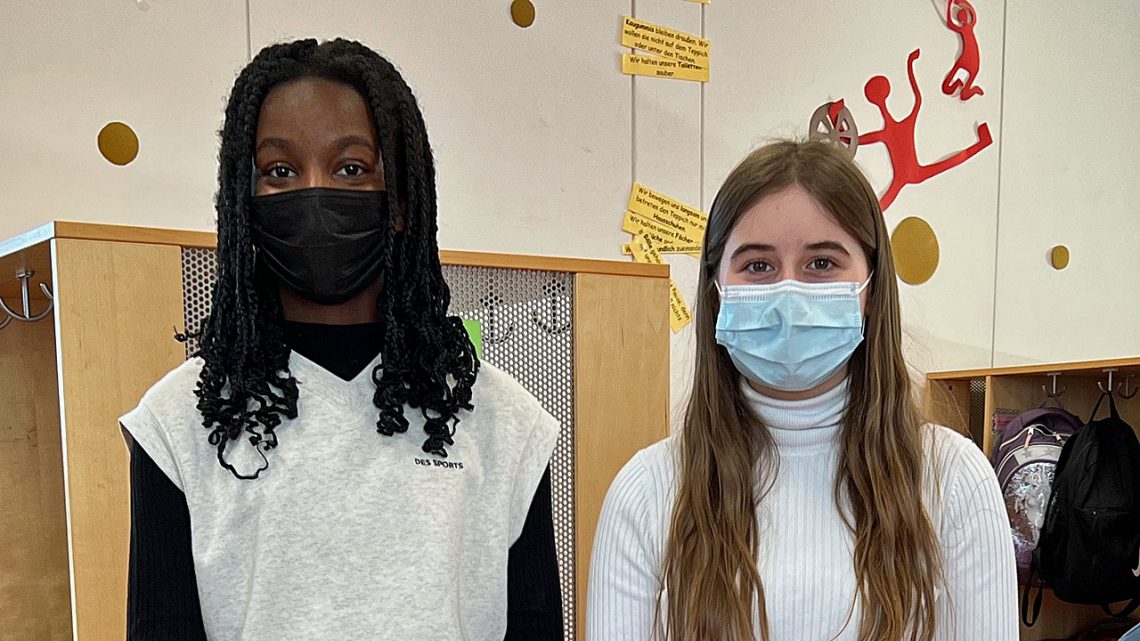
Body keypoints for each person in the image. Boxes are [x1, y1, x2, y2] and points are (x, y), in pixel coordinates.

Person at [120, 38, 563, 641]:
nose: (314, 192)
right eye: (279, 171)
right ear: (245, 202)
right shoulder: (177, 423)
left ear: (400, 201)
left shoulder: (503, 422)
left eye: (351, 168)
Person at [586, 139, 1017, 641]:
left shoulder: (955, 483)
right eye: (758, 265)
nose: (787, 290)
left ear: (872, 288)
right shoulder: (645, 493)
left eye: (822, 263)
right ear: (716, 291)